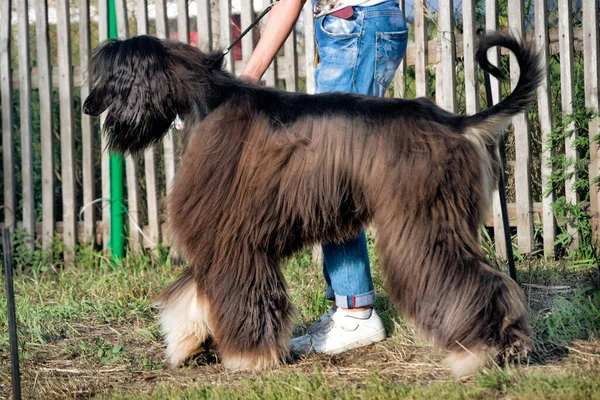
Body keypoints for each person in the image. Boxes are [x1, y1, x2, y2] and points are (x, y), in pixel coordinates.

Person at [240, 0, 408, 355]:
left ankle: (355, 313)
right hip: (358, 24)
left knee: (330, 177)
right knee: (334, 172)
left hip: (354, 27)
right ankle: (347, 307)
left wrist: (251, 73)